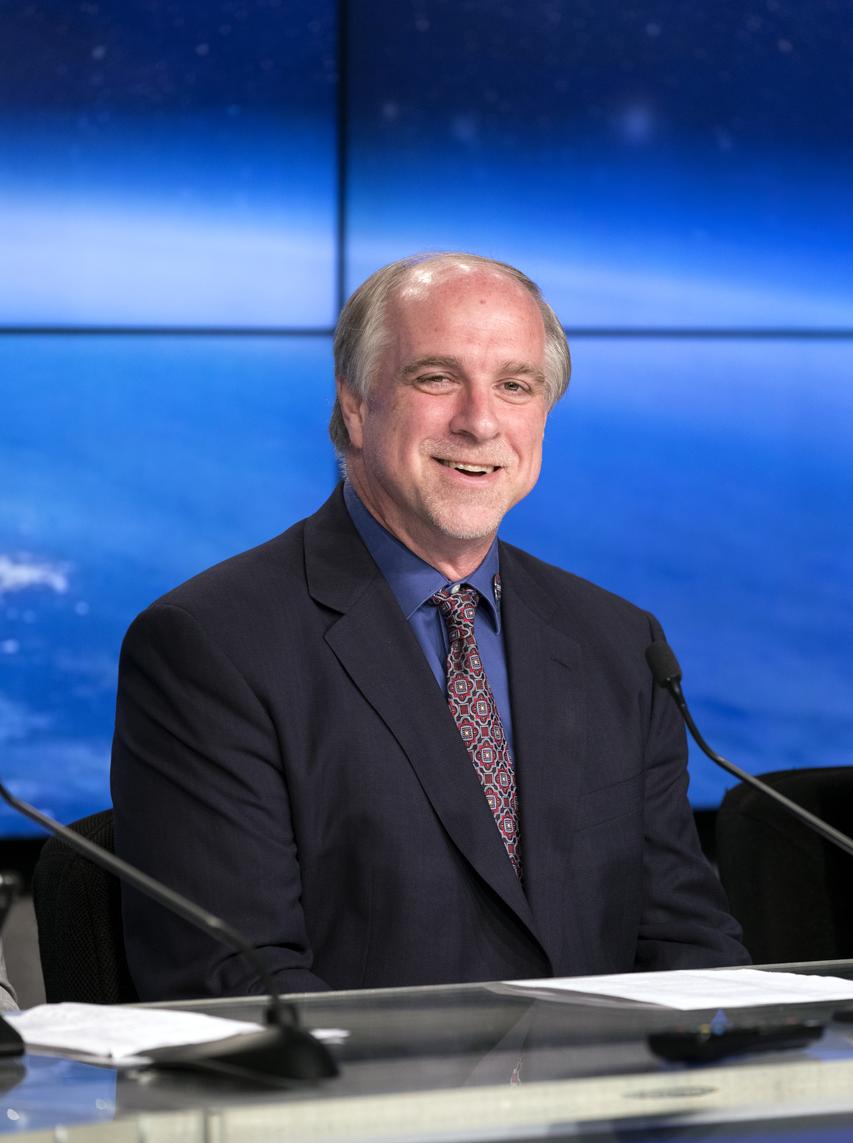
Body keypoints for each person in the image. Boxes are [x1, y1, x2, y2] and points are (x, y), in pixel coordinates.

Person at [112, 252, 747, 999]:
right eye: (435, 378)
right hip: (363, 1109)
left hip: (597, 1108)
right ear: (354, 404)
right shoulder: (211, 644)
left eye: (515, 386)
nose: (479, 422)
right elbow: (236, 984)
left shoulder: (617, 642)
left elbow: (685, 945)